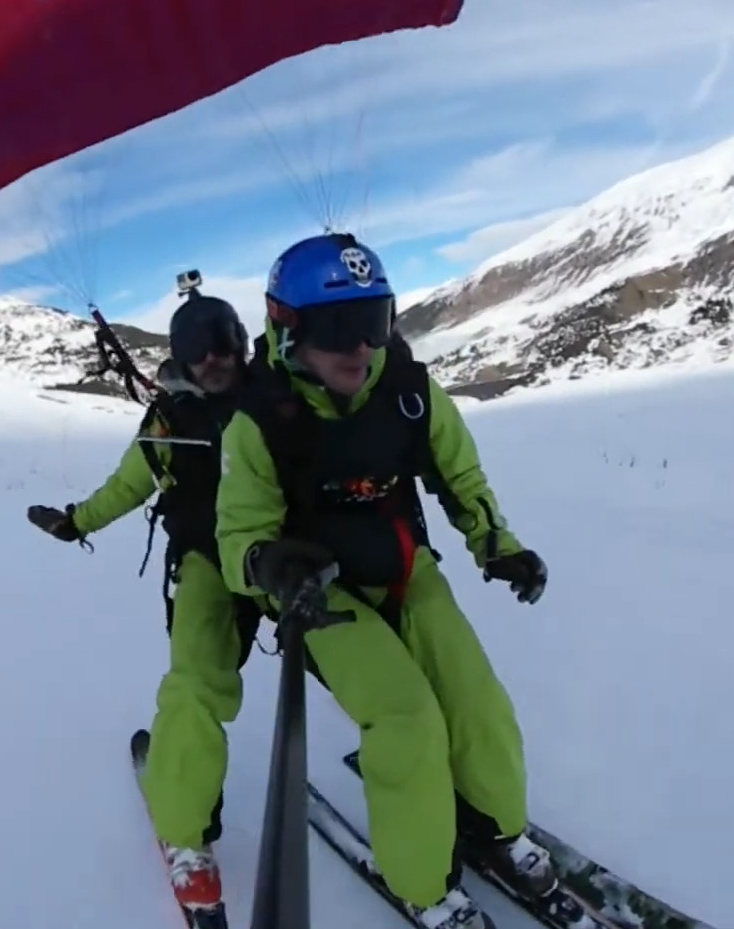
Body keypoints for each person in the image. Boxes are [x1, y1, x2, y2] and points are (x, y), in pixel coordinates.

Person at [213, 233, 554, 929]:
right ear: (287, 329)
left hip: (405, 570)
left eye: (374, 322)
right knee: (407, 721)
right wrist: (270, 566)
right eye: (338, 328)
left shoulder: (409, 393)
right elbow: (238, 538)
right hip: (324, 599)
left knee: (477, 703)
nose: (361, 347)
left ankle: (492, 826)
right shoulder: (259, 423)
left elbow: (460, 476)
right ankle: (424, 885)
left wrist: (498, 545)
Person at [25, 286, 259, 920]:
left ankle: (434, 783)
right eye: (197, 348)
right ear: (180, 356)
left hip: (292, 557)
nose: (214, 359)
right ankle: (187, 831)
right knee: (195, 685)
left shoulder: (276, 395)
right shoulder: (167, 422)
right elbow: (131, 482)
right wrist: (78, 521)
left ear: (241, 342)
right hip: (209, 564)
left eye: (224, 342)